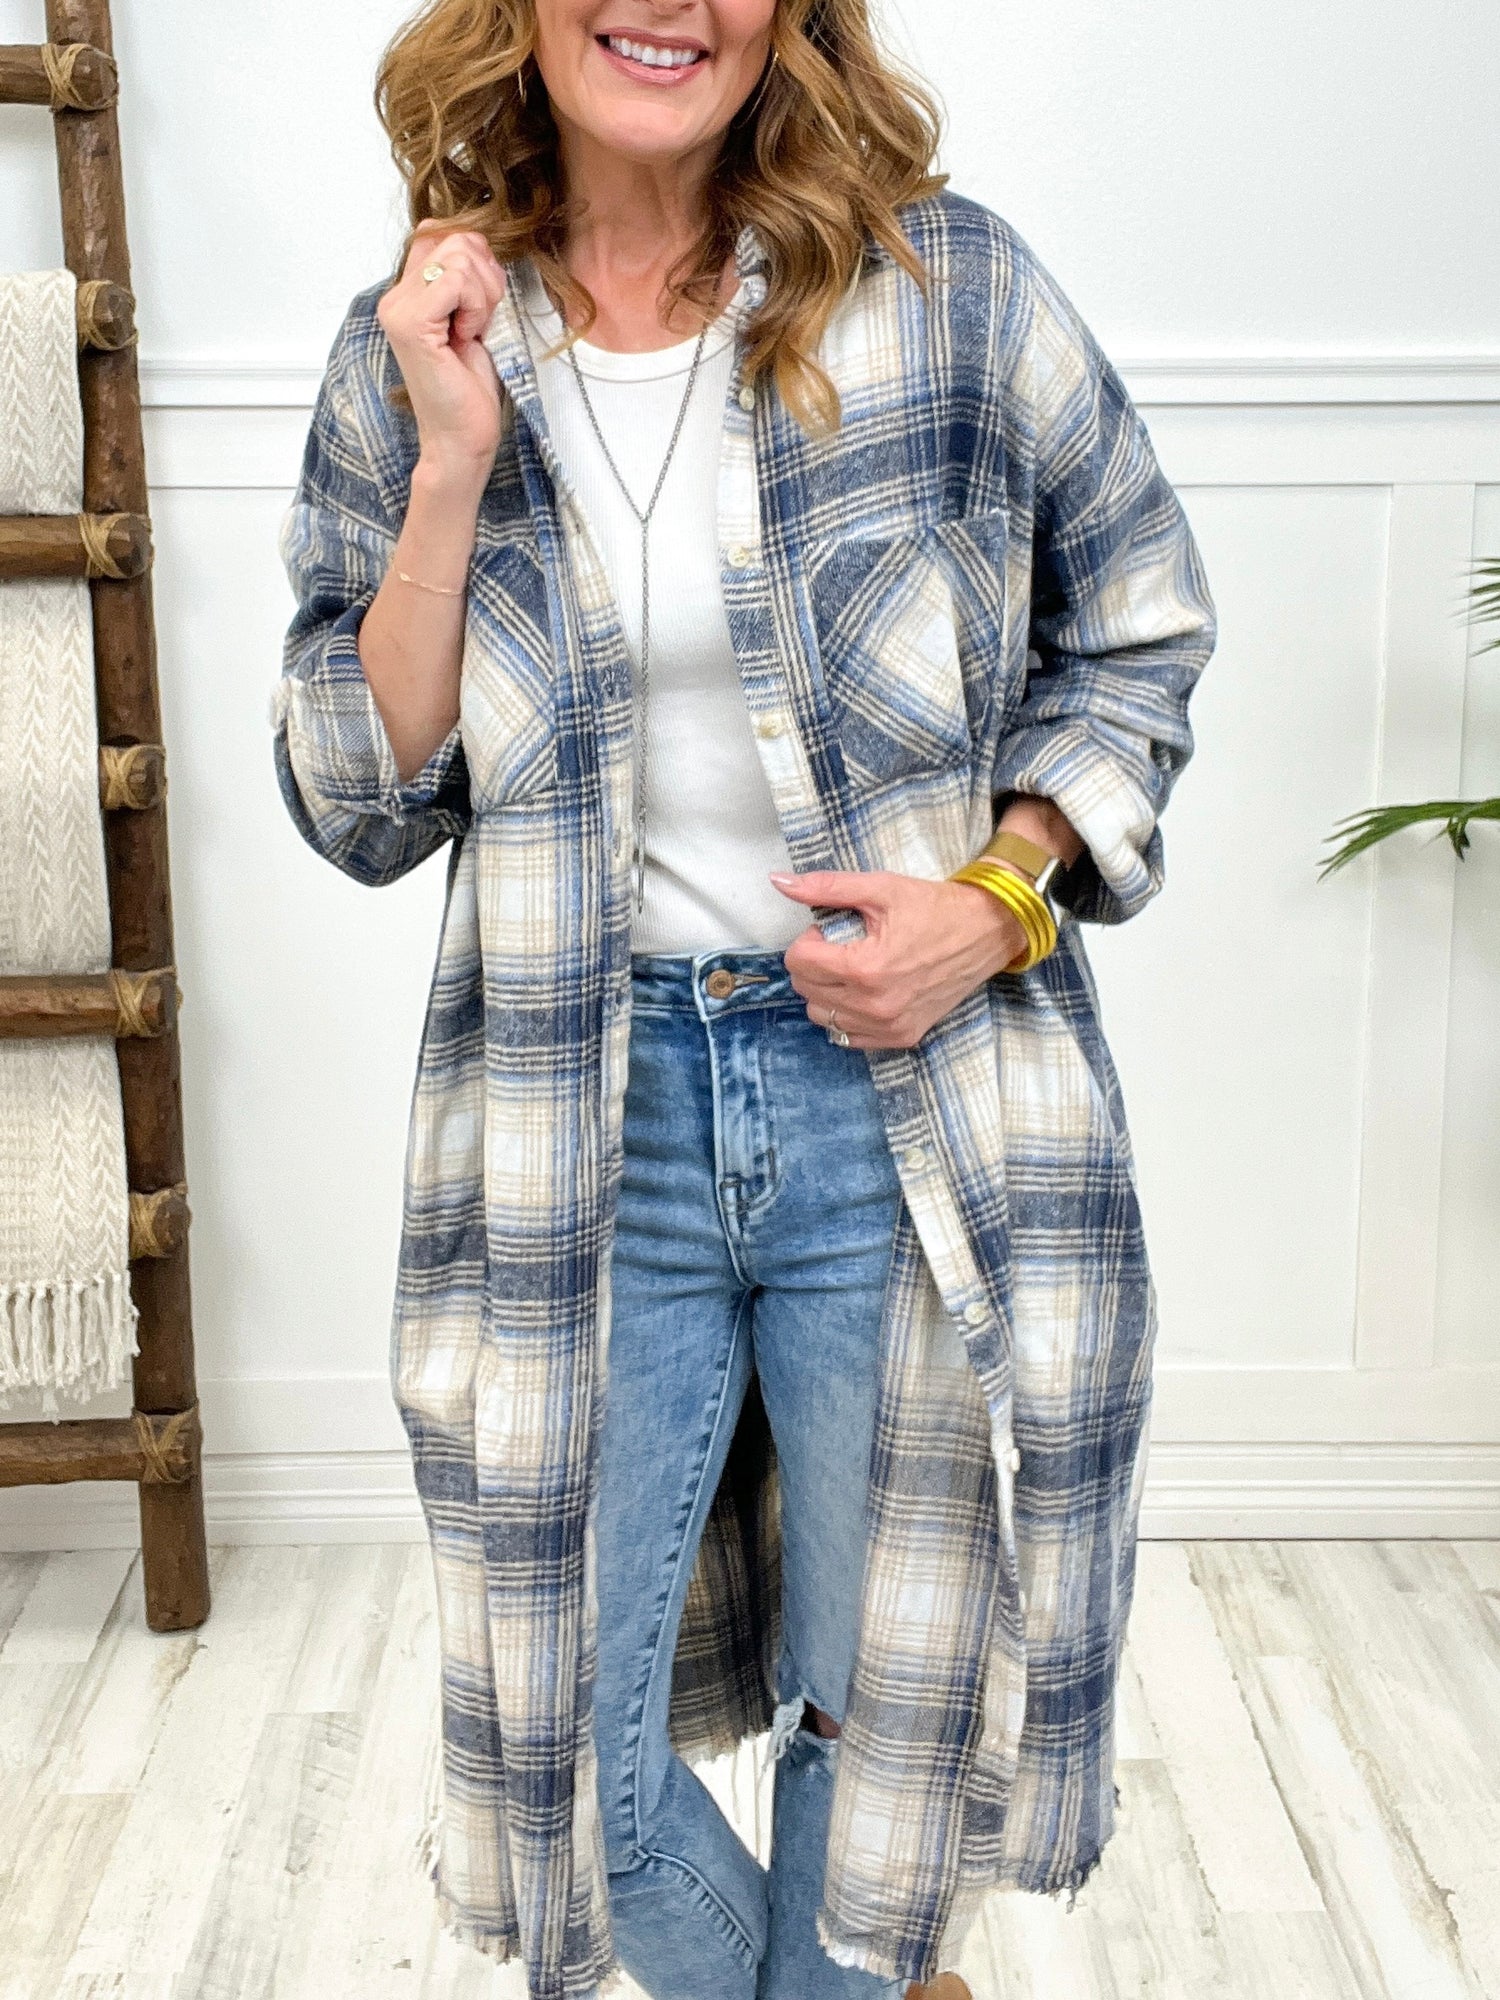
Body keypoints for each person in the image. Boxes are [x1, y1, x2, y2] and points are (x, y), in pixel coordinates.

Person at [269, 2, 1217, 1996]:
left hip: (899, 1099)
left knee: (881, 1716)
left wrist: (999, 899)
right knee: (560, 1766)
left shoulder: (949, 292)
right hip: (585, 1111)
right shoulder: (424, 343)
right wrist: (450, 463)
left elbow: (1140, 628)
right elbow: (359, 797)